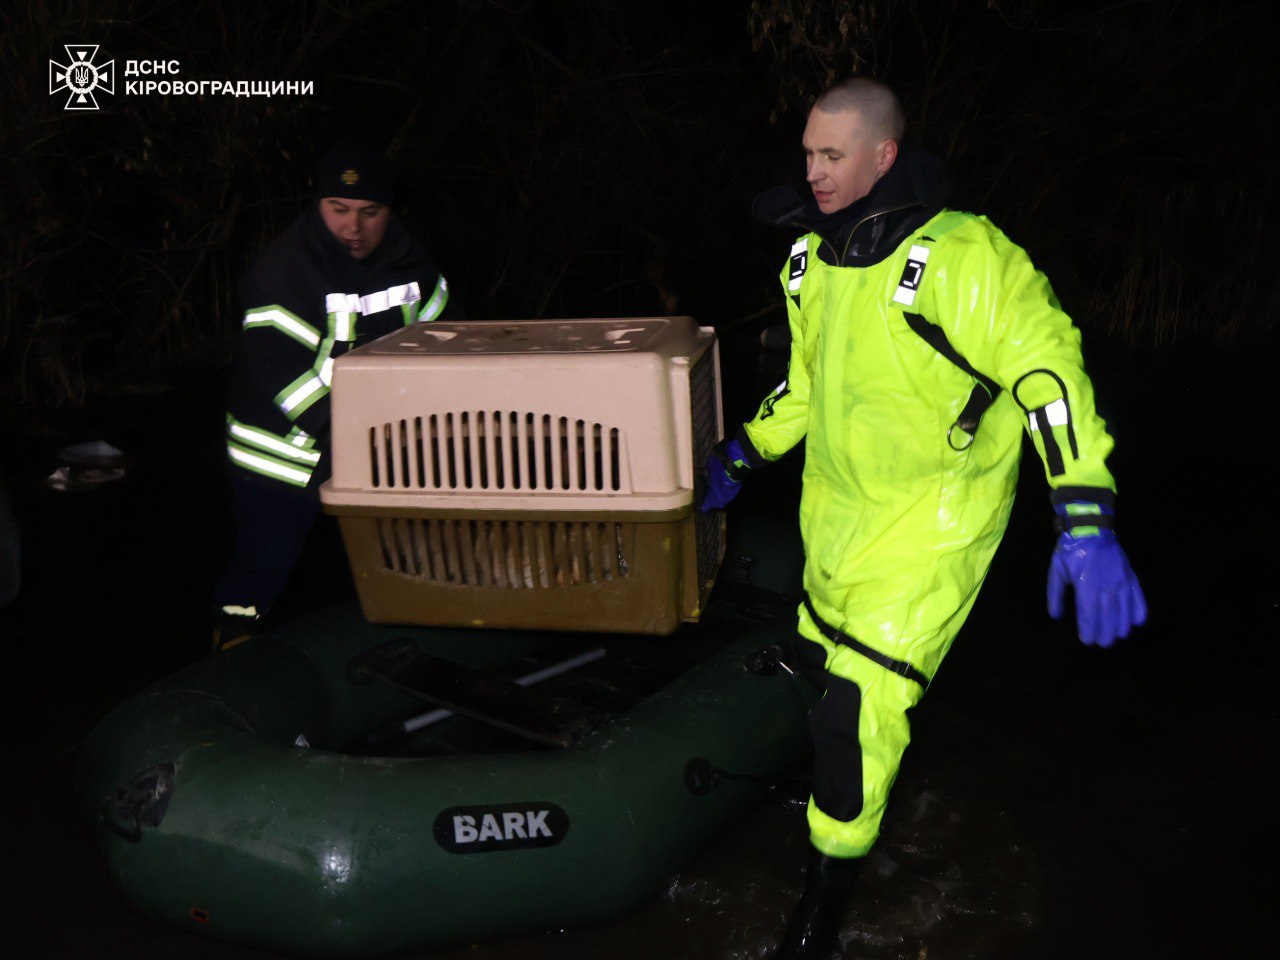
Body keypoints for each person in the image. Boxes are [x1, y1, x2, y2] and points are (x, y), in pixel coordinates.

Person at [702, 78, 1147, 959]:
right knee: (822, 662)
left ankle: (819, 913)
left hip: (936, 527)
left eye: (832, 156)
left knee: (857, 712)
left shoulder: (964, 258)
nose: (813, 172)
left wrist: (1083, 513)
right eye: (807, 153)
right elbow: (807, 384)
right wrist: (743, 453)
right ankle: (842, 798)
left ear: (884, 156)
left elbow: (1047, 373)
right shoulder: (807, 261)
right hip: (839, 517)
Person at [212, 140, 460, 651]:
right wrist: (349, 437)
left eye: (370, 212)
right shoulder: (282, 268)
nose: (354, 227)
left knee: (406, 551)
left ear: (389, 211)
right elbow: (280, 371)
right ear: (318, 205)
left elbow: (446, 345)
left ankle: (411, 644)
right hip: (279, 452)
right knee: (267, 557)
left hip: (377, 443)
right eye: (339, 209)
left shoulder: (414, 266)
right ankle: (232, 640)